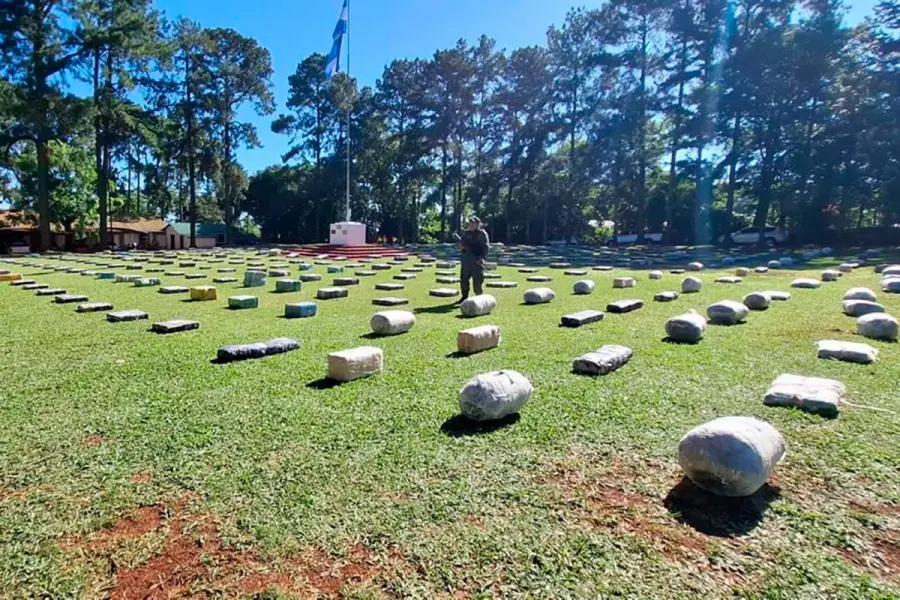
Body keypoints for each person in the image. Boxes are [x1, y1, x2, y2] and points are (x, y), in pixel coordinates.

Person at [456, 216, 490, 301]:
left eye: (473, 223)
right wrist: (460, 247)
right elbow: (460, 244)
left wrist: (482, 258)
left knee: (477, 282)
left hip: (477, 261)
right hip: (466, 260)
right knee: (464, 280)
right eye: (470, 223)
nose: (471, 224)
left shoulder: (482, 234)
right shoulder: (466, 233)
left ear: (478, 224)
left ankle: (479, 298)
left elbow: (485, 247)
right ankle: (464, 297)